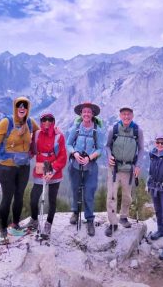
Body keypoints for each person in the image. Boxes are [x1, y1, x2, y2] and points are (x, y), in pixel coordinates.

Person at [0, 97, 39, 242]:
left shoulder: (30, 122)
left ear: (28, 108)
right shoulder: (6, 122)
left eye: (25, 106)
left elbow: (41, 133)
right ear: (15, 107)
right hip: (6, 168)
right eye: (19, 105)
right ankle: (3, 230)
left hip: (24, 166)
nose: (22, 108)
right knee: (7, 197)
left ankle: (15, 225)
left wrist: (54, 132)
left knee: (19, 196)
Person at [104, 106, 145, 236]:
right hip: (114, 169)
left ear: (132, 116)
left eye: (128, 114)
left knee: (127, 196)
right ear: (120, 116)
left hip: (129, 168)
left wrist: (138, 165)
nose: (126, 117)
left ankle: (123, 216)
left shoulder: (138, 130)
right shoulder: (114, 129)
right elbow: (107, 146)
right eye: (123, 114)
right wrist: (109, 156)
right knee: (111, 196)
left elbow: (141, 149)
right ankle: (113, 223)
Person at [66, 101, 105, 236]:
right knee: (75, 189)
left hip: (91, 166)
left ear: (92, 114)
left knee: (89, 192)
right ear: (81, 114)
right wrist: (75, 153)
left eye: (89, 112)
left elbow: (100, 149)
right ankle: (75, 212)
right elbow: (69, 144)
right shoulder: (75, 129)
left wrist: (89, 157)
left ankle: (89, 219)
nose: (87, 114)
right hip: (75, 165)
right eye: (84, 112)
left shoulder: (98, 131)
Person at [26, 112, 67, 238]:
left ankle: (48, 223)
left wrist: (52, 170)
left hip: (54, 169)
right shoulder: (37, 134)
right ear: (41, 121)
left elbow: (63, 157)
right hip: (40, 168)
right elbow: (32, 149)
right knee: (34, 198)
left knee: (52, 200)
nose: (47, 122)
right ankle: (34, 219)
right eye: (44, 120)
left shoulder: (59, 136)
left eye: (50, 120)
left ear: (53, 121)